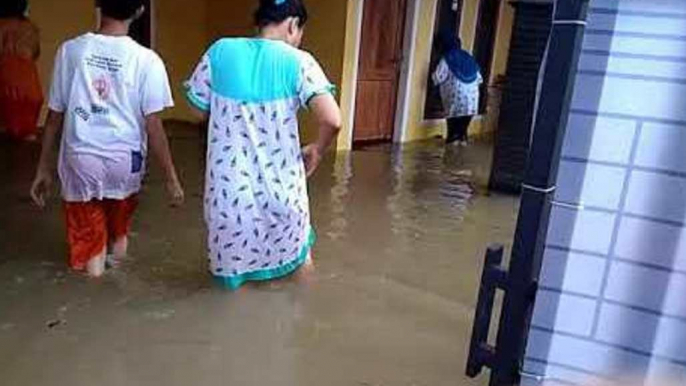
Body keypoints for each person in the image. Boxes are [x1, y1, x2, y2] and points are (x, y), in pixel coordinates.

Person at [185, 0, 341, 290]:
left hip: (230, 199)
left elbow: (196, 111)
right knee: (299, 263)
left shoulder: (220, 51)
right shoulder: (299, 62)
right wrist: (317, 149)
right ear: (293, 24)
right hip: (283, 194)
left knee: (236, 283)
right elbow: (332, 120)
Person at [29, 0, 184, 277]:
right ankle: (118, 288)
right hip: (126, 162)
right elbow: (154, 126)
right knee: (120, 233)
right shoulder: (147, 60)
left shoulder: (71, 51)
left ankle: (95, 288)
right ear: (139, 10)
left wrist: (43, 168)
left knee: (90, 243)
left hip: (81, 159)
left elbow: (55, 116)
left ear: (99, 4)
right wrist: (171, 178)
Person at [0, 0, 43, 141]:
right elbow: (35, 53)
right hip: (30, 88)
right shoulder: (31, 28)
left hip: (5, 86)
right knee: (26, 141)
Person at [433, 30, 482, 146]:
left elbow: (438, 77)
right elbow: (479, 79)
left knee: (452, 133)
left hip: (455, 100)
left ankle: (451, 154)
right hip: (472, 101)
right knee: (462, 132)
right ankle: (462, 142)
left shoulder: (447, 58)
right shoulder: (468, 57)